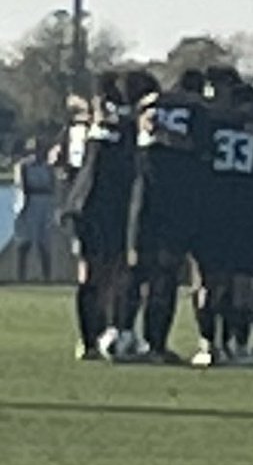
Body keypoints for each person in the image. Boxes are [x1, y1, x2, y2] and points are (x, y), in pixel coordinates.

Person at [117, 68, 206, 362]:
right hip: (176, 200)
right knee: (163, 274)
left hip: (143, 196)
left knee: (137, 268)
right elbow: (200, 148)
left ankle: (124, 334)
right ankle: (153, 343)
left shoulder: (148, 106)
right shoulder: (196, 111)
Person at [190, 69, 253, 367]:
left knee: (215, 283)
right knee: (236, 284)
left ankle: (212, 344)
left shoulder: (206, 123)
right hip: (244, 207)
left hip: (216, 208)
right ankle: (232, 345)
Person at [61, 72, 135, 359]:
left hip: (85, 205)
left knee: (96, 274)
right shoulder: (118, 128)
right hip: (102, 206)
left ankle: (96, 336)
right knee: (106, 274)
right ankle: (98, 335)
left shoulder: (83, 126)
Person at [13, 136, 56, 282]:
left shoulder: (47, 167)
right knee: (25, 241)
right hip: (29, 202)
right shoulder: (23, 166)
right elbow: (20, 185)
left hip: (44, 202)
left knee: (45, 242)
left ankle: (47, 277)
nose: (36, 154)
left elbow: (52, 185)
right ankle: (21, 276)